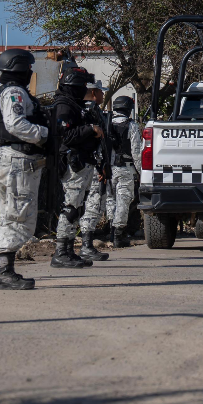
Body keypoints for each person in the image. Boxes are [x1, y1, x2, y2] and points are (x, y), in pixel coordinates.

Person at [0, 49, 48, 291]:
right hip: (16, 161)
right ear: (19, 68)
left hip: (11, 160)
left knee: (10, 215)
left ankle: (6, 270)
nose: (31, 72)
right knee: (18, 216)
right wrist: (44, 134)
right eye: (28, 68)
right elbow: (15, 124)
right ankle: (5, 273)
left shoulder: (3, 90)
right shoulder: (14, 92)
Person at [51, 64, 105, 267]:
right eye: (82, 85)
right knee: (71, 207)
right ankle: (61, 251)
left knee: (78, 207)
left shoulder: (75, 105)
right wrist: (90, 129)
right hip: (73, 164)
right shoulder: (64, 106)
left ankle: (69, 249)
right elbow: (67, 136)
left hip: (82, 163)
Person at [76, 81, 113, 261]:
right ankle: (86, 245)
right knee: (94, 204)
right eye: (100, 91)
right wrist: (101, 166)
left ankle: (83, 244)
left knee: (86, 204)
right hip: (93, 165)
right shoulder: (92, 112)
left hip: (83, 164)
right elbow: (97, 142)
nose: (102, 95)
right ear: (92, 92)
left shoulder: (80, 109)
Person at [106, 94, 144, 247]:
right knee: (123, 200)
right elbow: (136, 152)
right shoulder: (131, 126)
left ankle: (110, 230)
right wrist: (142, 172)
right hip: (125, 169)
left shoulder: (106, 123)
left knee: (110, 200)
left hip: (108, 169)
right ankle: (118, 234)